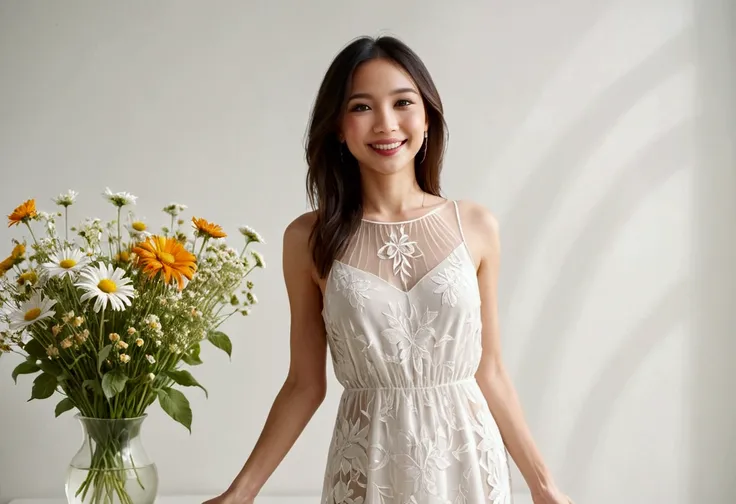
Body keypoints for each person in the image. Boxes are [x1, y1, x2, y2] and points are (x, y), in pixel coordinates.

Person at [204, 35, 573, 504]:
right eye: (361, 107)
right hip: (367, 467)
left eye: (403, 102)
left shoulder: (475, 226)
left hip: (468, 466)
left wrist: (544, 487)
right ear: (338, 126)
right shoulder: (308, 239)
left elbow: (491, 371)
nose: (386, 124)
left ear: (426, 116)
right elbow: (304, 384)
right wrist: (240, 493)